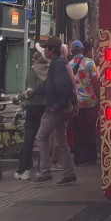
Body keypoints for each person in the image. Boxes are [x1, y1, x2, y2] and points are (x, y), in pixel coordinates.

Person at [27, 36, 78, 185]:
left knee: (41, 137)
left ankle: (45, 172)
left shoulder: (57, 65)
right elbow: (50, 85)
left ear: (52, 50)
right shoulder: (58, 64)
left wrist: (58, 104)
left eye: (46, 48)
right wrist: (35, 91)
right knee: (61, 140)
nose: (44, 51)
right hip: (61, 108)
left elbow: (66, 86)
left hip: (55, 109)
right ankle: (69, 172)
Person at [13, 48, 50, 180]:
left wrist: (19, 97)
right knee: (44, 139)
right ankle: (43, 168)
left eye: (33, 57)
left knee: (29, 138)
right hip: (46, 107)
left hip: (33, 107)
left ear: (35, 58)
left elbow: (29, 92)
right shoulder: (49, 68)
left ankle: (24, 170)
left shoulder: (33, 70)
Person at [68, 40, 101, 165]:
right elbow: (94, 82)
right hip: (90, 101)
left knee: (77, 130)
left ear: (72, 51)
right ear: (82, 50)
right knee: (90, 129)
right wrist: (99, 99)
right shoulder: (89, 63)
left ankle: (79, 158)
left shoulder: (69, 64)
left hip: (76, 102)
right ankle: (90, 157)